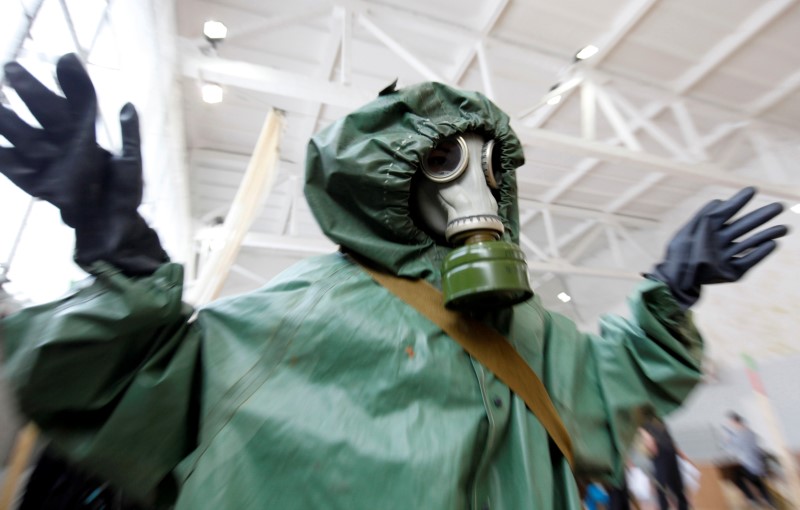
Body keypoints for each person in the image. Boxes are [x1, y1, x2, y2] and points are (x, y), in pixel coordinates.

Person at [0, 53, 789, 509]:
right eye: (445, 160)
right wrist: (121, 249)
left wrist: (671, 289)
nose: (473, 190)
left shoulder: (527, 334)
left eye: (491, 165)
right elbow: (125, 391)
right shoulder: (289, 316)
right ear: (387, 181)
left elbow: (609, 384)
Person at [639, 411, 690, 510]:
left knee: (677, 484)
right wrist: (646, 437)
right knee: (661, 484)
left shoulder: (658, 418)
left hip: (669, 449)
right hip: (659, 450)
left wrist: (678, 452)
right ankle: (664, 507)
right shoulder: (642, 418)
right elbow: (640, 429)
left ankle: (683, 507)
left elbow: (668, 436)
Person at [724, 412, 775, 508]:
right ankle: (769, 502)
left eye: (730, 423)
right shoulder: (749, 432)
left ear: (734, 422)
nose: (731, 426)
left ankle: (752, 499)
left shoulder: (741, 434)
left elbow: (731, 448)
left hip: (752, 464)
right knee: (758, 484)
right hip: (758, 464)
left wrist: (728, 440)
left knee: (736, 477)